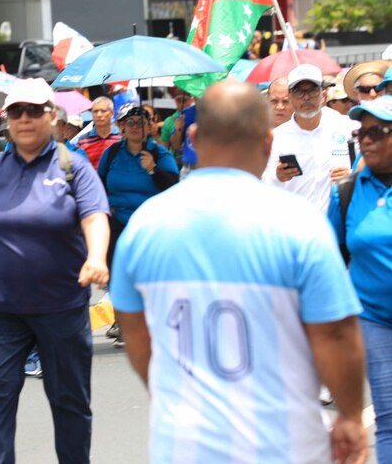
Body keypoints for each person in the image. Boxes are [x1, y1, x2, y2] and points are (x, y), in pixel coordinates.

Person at [111, 81, 368, 464]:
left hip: (182, 447)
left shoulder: (145, 226)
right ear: (268, 143)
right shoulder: (299, 225)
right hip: (285, 446)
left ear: (194, 136)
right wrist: (349, 416)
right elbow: (335, 334)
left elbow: (136, 334)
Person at [0, 77, 109, 464]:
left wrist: (96, 257)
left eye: (34, 111)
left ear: (51, 116)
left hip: (62, 309)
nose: (25, 119)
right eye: (17, 111)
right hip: (4, 311)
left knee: (70, 404)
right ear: (6, 119)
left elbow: (95, 216)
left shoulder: (72, 168)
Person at [329, 95, 392, 463]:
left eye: (377, 131)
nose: (366, 140)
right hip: (374, 319)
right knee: (388, 420)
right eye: (361, 132)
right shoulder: (348, 193)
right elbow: (329, 258)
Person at [96, 104, 178, 347]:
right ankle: (125, 321)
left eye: (140, 122)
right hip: (117, 222)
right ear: (121, 126)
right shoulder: (111, 154)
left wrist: (153, 169)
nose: (135, 126)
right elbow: (98, 186)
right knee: (117, 273)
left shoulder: (160, 154)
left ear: (149, 127)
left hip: (149, 223)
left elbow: (173, 187)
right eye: (129, 122)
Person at [262, 64, 359, 213]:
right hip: (297, 225)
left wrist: (352, 176)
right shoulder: (276, 138)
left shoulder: (347, 128)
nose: (306, 97)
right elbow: (264, 188)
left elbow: (370, 169)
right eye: (299, 91)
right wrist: (278, 176)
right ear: (291, 97)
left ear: (324, 95)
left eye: (312, 90)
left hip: (339, 223)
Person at [75, 96, 120, 168]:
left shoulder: (121, 137)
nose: (99, 115)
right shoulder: (83, 140)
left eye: (103, 111)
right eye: (95, 111)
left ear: (112, 113)